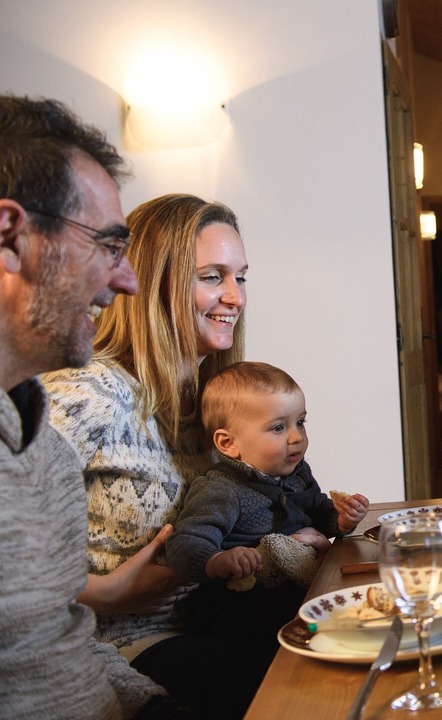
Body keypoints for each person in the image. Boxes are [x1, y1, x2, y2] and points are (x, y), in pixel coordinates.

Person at [42, 193, 285, 719]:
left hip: (211, 620)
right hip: (120, 649)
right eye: (212, 276)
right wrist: (101, 593)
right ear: (155, 282)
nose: (234, 297)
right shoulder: (86, 395)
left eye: (240, 277)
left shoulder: (210, 408)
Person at [0, 95, 194, 719]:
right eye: (107, 245)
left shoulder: (40, 448)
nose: (127, 281)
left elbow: (65, 643)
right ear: (11, 237)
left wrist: (151, 707)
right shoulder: (74, 407)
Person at [168, 361, 369, 640]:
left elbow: (320, 511)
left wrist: (342, 518)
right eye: (278, 428)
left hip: (297, 582)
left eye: (300, 422)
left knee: (361, 585)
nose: (297, 436)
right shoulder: (222, 489)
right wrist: (218, 560)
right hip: (240, 604)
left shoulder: (298, 473)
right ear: (228, 444)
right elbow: (184, 544)